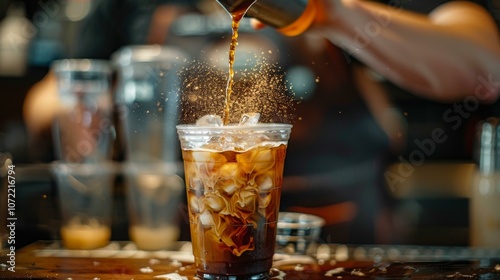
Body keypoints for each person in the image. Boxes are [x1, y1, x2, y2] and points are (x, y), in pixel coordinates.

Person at [23, 0, 500, 244]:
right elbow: (49, 95)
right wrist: (83, 107)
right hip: (181, 241)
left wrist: (325, 11)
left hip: (348, 241)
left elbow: (484, 65)